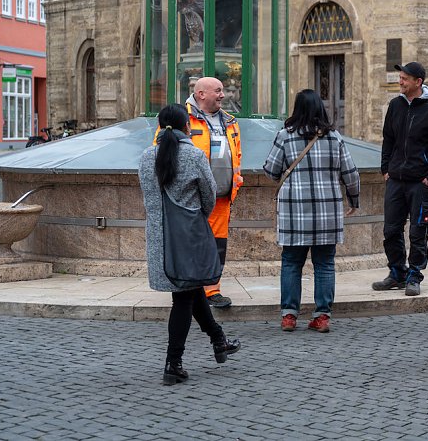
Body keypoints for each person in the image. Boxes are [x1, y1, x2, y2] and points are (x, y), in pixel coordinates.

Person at [138, 104, 241, 385]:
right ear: (187, 127)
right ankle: (173, 362)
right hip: (187, 236)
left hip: (159, 239)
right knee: (183, 297)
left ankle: (219, 340)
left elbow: (148, 199)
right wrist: (195, 220)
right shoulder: (194, 155)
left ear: (159, 127)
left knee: (190, 289)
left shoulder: (147, 157)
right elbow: (210, 195)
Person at [263, 89, 360, 333]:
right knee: (325, 263)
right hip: (326, 212)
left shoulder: (285, 136)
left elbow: (272, 171)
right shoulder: (334, 138)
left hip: (294, 212)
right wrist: (354, 200)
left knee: (291, 262)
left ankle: (289, 315)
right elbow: (351, 174)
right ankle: (322, 316)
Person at [372, 62, 428, 296]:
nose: (400, 81)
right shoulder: (395, 105)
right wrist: (386, 169)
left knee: (418, 232)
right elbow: (388, 139)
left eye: (405, 78)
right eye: (400, 77)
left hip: (420, 183)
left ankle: (414, 275)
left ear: (418, 82)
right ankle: (397, 272)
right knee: (391, 230)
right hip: (395, 179)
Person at [185, 77, 243, 309]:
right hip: (191, 198)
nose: (223, 95)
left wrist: (234, 185)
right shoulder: (182, 118)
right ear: (201, 94)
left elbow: (237, 156)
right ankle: (189, 289)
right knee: (191, 244)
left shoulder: (230, 121)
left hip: (221, 198)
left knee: (217, 246)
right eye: (218, 91)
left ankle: (212, 291)